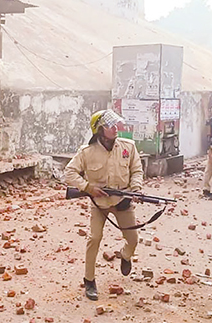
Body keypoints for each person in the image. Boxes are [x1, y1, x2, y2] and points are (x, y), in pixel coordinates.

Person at [64, 109, 143, 301]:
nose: (116, 129)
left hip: (122, 200)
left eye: (116, 124)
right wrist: (88, 188)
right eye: (110, 126)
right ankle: (89, 280)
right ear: (100, 130)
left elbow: (137, 170)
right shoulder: (86, 152)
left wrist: (136, 189)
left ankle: (125, 255)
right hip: (99, 203)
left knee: (133, 239)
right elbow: (69, 173)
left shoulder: (128, 147)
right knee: (94, 238)